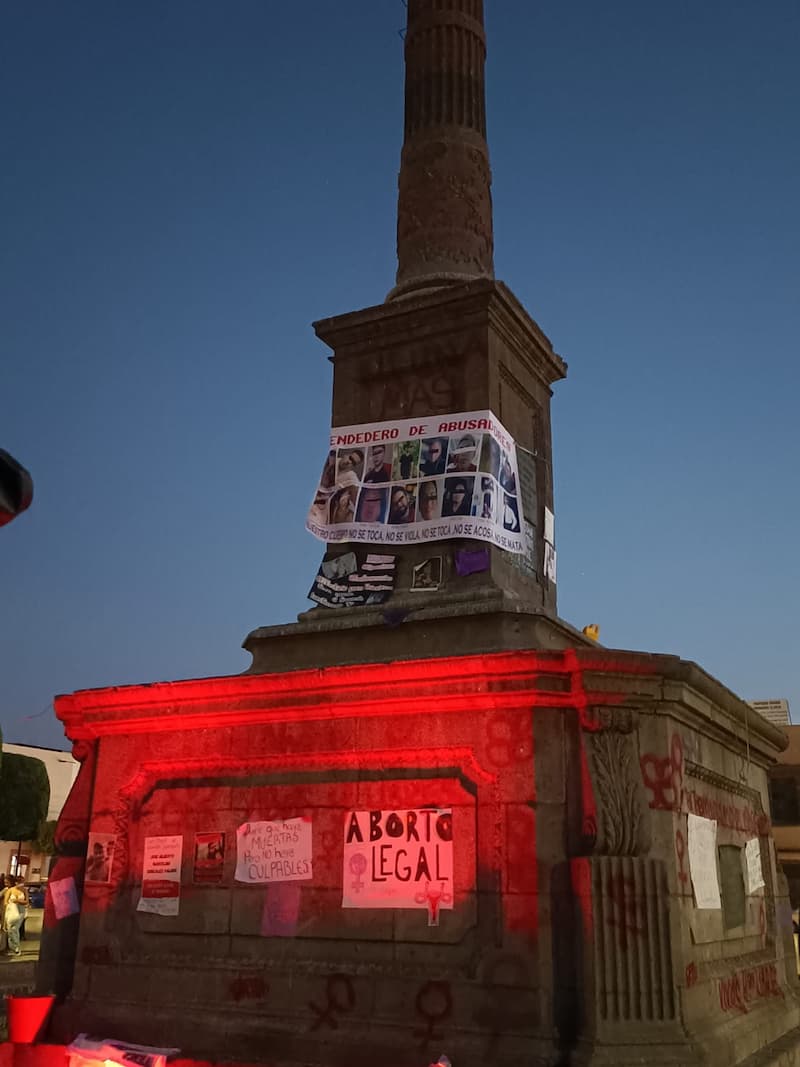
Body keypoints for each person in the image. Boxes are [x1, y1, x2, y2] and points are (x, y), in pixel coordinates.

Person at [2, 876, 26, 956]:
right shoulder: (9, 890)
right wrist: (12, 904)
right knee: (10, 929)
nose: (22, 884)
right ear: (16, 882)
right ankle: (14, 947)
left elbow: (27, 902)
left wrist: (18, 901)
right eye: (21, 882)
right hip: (11, 911)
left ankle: (15, 947)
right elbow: (5, 902)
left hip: (21, 912)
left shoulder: (24, 890)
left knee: (15, 929)